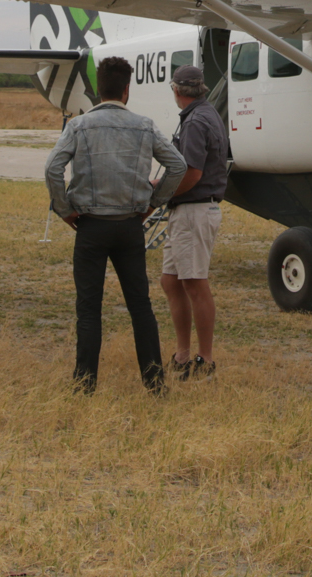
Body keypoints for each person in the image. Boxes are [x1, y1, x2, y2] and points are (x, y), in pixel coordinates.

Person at [45, 55, 187, 394]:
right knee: (140, 306)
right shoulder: (144, 125)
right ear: (126, 90)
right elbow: (178, 166)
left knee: (89, 309)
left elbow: (52, 169)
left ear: (97, 89)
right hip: (128, 226)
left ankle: (85, 384)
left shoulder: (78, 126)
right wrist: (153, 204)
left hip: (90, 226)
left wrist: (65, 210)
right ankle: (154, 383)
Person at [158, 64, 230, 379]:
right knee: (171, 281)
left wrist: (161, 193)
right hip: (193, 210)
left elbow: (192, 173)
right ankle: (183, 353)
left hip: (193, 210)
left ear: (176, 91)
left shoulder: (194, 123)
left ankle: (206, 360)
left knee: (194, 283)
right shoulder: (208, 113)